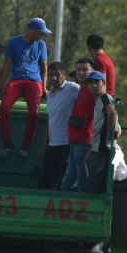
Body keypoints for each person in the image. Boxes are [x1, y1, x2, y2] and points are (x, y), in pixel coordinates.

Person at [0, 17, 51, 158]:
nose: (42, 36)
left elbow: (44, 66)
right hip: (17, 79)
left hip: (34, 81)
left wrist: (44, 86)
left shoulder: (41, 44)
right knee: (4, 107)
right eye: (40, 32)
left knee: (34, 112)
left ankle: (26, 145)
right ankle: (7, 142)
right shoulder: (13, 42)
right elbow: (7, 64)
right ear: (32, 30)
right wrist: (1, 84)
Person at [37, 62, 80, 190]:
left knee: (62, 182)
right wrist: (44, 146)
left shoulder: (73, 88)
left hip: (67, 144)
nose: (54, 78)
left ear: (64, 75)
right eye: (51, 75)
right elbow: (51, 122)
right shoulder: (50, 95)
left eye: (57, 74)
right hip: (52, 146)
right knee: (46, 183)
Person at [61, 58, 96, 191]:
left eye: (85, 69)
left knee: (82, 177)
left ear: (92, 71)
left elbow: (107, 107)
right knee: (71, 173)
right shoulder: (82, 89)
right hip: (75, 138)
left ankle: (83, 202)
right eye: (79, 69)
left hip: (86, 139)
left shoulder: (93, 90)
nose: (81, 72)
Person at [84, 71, 117, 193]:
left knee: (93, 187)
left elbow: (112, 112)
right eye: (90, 83)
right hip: (98, 149)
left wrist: (109, 130)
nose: (93, 86)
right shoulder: (98, 100)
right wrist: (91, 150)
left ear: (103, 83)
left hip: (103, 150)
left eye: (97, 82)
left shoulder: (104, 97)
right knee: (95, 185)